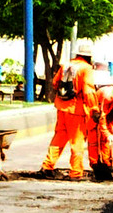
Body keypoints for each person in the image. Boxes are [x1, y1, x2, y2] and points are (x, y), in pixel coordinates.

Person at [39, 45, 99, 179]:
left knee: (59, 138)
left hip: (61, 108)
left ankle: (47, 166)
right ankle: (76, 172)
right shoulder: (86, 68)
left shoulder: (66, 65)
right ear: (88, 57)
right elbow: (89, 91)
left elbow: (55, 83)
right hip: (76, 111)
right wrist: (94, 109)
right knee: (77, 141)